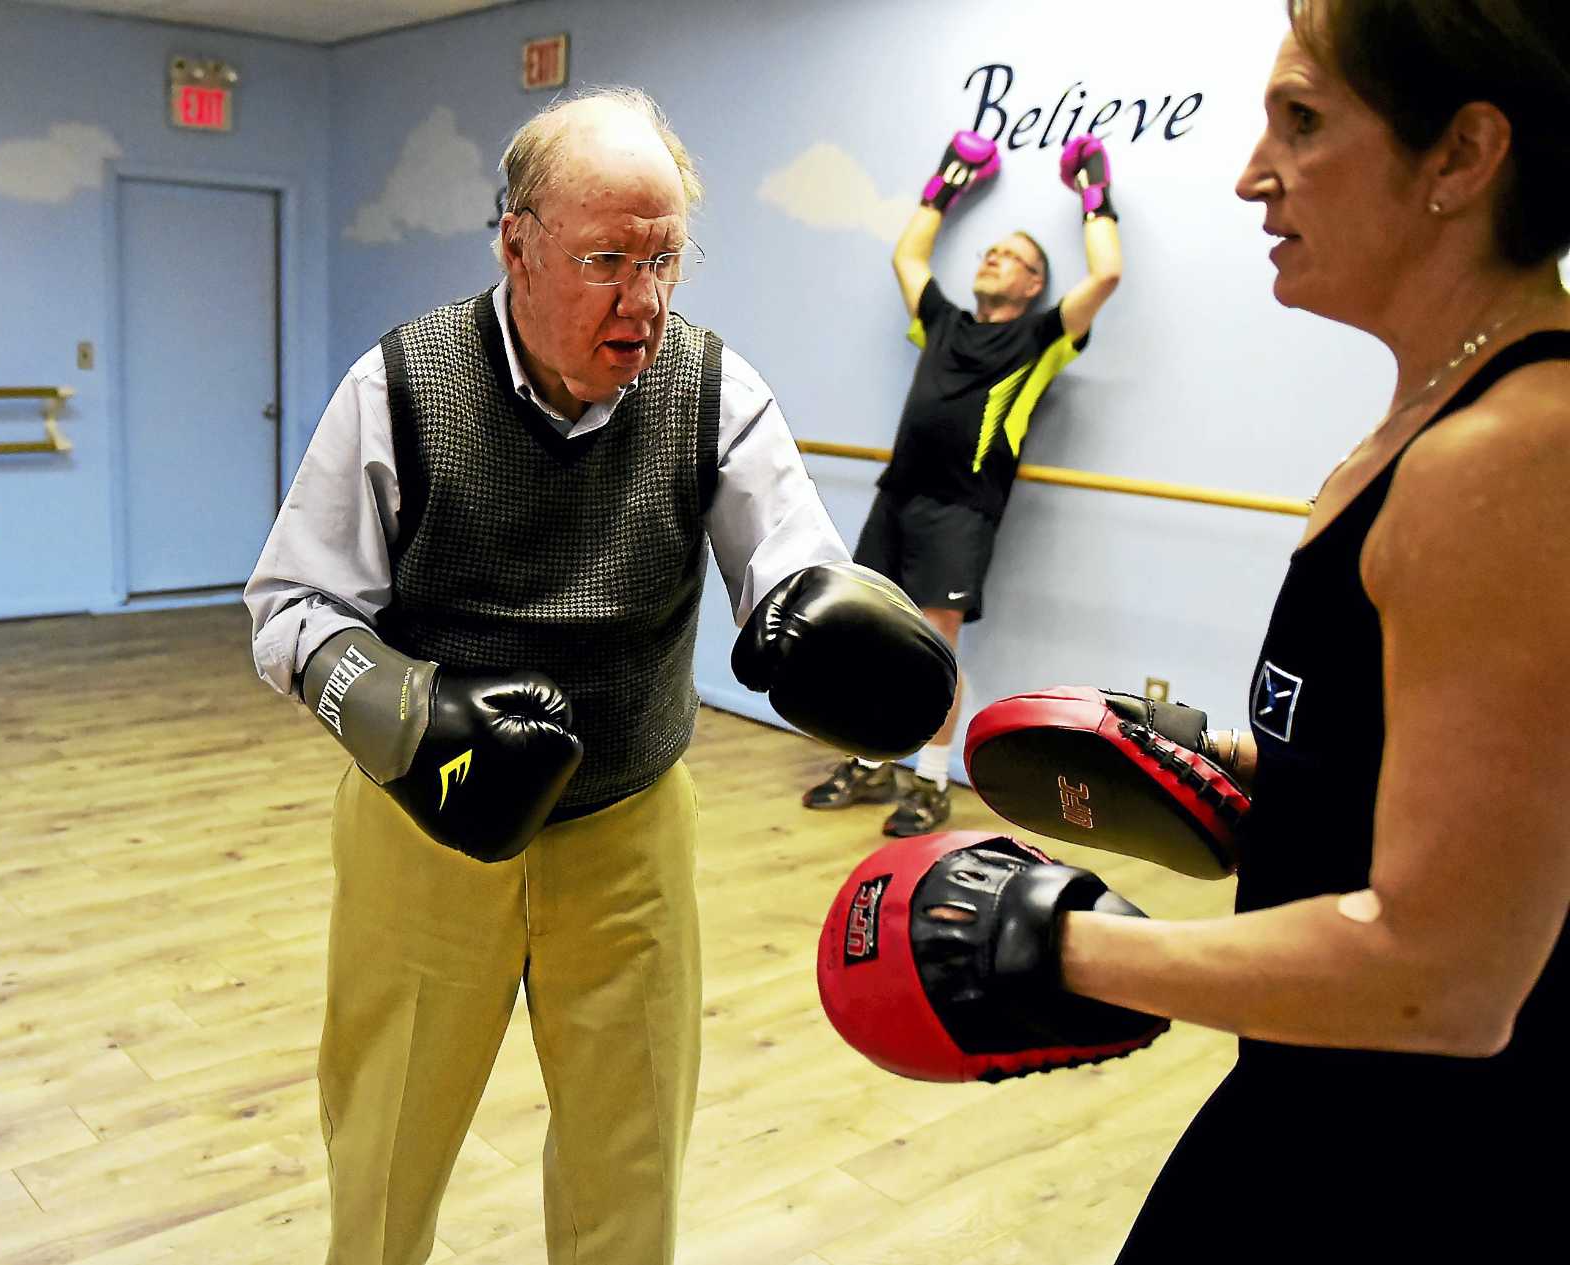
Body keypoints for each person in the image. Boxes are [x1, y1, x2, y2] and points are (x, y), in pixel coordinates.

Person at [244, 88, 953, 1265]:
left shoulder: (712, 389)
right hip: (421, 833)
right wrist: (404, 715)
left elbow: (790, 553)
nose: (642, 300)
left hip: (628, 829)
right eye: (605, 258)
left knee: (630, 1168)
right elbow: (289, 607)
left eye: (664, 257)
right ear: (514, 244)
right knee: (383, 1154)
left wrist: (827, 623)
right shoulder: (400, 386)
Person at [925, 2, 1567, 1256]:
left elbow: (1445, 969)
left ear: (1460, 158)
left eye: (1303, 120)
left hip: (1428, 1146)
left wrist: (1062, 947)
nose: (1246, 172)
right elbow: (1469, 799)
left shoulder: (1512, 450)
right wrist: (1243, 773)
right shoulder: (1433, 423)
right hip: (1325, 1088)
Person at [803, 127, 1124, 836]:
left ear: (1034, 284)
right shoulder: (942, 321)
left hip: (962, 510)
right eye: (990, 250)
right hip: (899, 496)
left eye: (1011, 256)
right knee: (871, 636)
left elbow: (1104, 276)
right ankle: (868, 759)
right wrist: (947, 180)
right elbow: (908, 254)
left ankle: (930, 780)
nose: (994, 257)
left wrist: (1094, 192)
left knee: (933, 647)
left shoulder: (1043, 337)